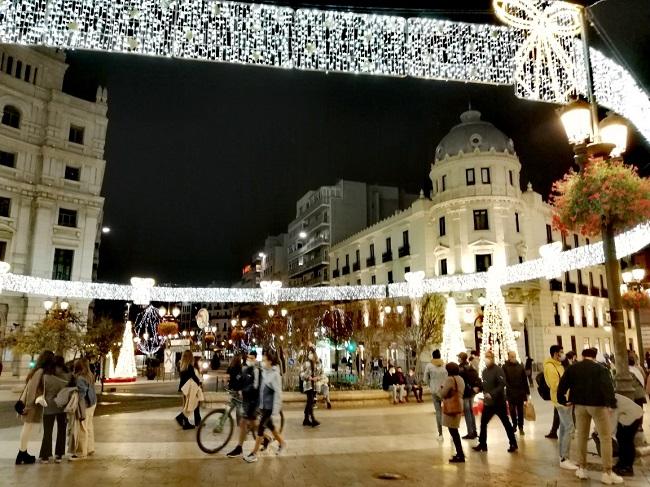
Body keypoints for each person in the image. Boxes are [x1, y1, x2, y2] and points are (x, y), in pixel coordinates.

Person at [557, 347, 621, 484]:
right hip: (598, 406)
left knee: (581, 436)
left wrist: (562, 400)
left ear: (582, 355)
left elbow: (562, 385)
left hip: (579, 406)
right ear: (595, 356)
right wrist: (611, 404)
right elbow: (607, 386)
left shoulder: (573, 368)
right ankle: (607, 472)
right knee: (605, 438)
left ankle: (582, 469)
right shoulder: (600, 369)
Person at [244, 350, 286, 463]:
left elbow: (278, 393)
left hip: (269, 407)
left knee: (261, 428)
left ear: (270, 361)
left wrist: (276, 410)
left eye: (264, 360)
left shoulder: (275, 375)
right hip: (263, 406)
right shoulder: (264, 371)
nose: (262, 362)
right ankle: (282, 443)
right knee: (271, 427)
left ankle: (254, 453)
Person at [472, 350, 518, 454]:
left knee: (506, 423)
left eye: (489, 357)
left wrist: (492, 394)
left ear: (493, 358)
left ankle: (513, 443)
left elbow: (502, 384)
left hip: (499, 403)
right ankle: (482, 444)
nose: (486, 359)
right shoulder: (484, 371)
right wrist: (478, 389)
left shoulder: (498, 370)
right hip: (488, 404)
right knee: (483, 423)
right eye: (486, 356)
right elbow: (484, 385)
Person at [16, 350, 55, 465]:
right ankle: (21, 454)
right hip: (31, 405)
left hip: (32, 404)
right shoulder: (40, 371)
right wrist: (28, 406)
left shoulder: (38, 371)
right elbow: (31, 389)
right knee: (27, 428)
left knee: (27, 428)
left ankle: (23, 452)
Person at [543, 345, 577, 470]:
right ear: (555, 354)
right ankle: (564, 458)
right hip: (561, 400)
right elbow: (555, 385)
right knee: (569, 427)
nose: (563, 354)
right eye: (561, 352)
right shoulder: (550, 367)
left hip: (565, 398)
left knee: (563, 428)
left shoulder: (558, 365)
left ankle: (563, 456)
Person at [226, 350, 261, 458]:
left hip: (254, 401)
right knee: (244, 423)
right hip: (247, 400)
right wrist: (232, 386)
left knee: (252, 424)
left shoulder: (256, 370)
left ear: (255, 359)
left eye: (251, 358)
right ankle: (239, 448)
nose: (249, 360)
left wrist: (244, 390)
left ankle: (267, 438)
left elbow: (255, 387)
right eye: (248, 358)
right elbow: (239, 379)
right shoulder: (245, 369)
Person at [39, 355, 72, 463]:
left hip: (48, 406)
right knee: (62, 431)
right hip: (62, 406)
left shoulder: (46, 377)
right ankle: (59, 455)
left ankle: (45, 455)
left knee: (47, 431)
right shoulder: (68, 376)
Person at [70, 358, 97, 460]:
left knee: (82, 428)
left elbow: (81, 396)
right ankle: (90, 448)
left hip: (85, 405)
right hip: (93, 403)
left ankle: (82, 452)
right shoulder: (90, 375)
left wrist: (81, 411)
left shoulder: (80, 378)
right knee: (89, 426)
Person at [611, 393, 643, 477]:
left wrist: (608, 434)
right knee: (621, 439)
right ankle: (621, 464)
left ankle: (628, 467)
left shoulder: (612, 400)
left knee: (627, 441)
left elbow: (613, 419)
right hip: (628, 417)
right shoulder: (611, 396)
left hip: (635, 417)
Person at [441, 362, 466, 463]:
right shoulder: (460, 379)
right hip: (459, 403)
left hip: (452, 405)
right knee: (454, 430)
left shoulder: (450, 379)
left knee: (454, 431)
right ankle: (460, 453)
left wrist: (441, 388)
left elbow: (442, 393)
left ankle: (460, 454)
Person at [503, 351, 530, 435]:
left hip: (520, 392)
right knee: (512, 410)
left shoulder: (520, 366)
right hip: (511, 392)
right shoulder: (504, 367)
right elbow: (504, 380)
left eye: (514, 356)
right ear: (508, 357)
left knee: (520, 410)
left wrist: (527, 392)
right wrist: (509, 389)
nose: (513, 358)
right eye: (512, 356)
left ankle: (521, 426)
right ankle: (514, 424)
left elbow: (524, 380)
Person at [424, 349, 448, 441]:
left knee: (438, 412)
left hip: (434, 391)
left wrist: (431, 385)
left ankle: (440, 434)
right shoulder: (444, 365)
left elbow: (425, 379)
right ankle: (452, 433)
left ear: (433, 356)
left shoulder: (429, 366)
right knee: (448, 411)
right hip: (444, 390)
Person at [175, 350, 202, 430]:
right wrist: (199, 383)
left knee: (188, 404)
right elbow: (194, 377)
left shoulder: (182, 366)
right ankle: (181, 418)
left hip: (184, 388)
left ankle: (185, 422)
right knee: (192, 404)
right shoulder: (189, 367)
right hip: (189, 388)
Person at [458, 352, 479, 439]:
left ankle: (470, 432)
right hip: (472, 392)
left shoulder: (461, 368)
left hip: (465, 392)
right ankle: (474, 431)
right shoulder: (470, 366)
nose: (458, 359)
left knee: (467, 413)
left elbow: (461, 380)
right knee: (471, 411)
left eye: (459, 357)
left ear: (461, 358)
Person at [300, 347, 320, 427]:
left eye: (311, 353)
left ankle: (306, 419)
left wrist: (317, 378)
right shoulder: (305, 363)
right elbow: (301, 374)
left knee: (309, 402)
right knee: (311, 401)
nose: (310, 354)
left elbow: (321, 373)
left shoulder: (318, 363)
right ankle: (312, 419)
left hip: (315, 385)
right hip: (308, 385)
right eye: (309, 353)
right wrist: (308, 377)